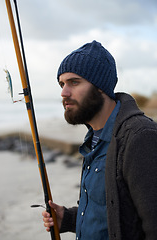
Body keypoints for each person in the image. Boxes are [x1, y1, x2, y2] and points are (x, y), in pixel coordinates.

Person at [42, 40, 157, 240]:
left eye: (74, 82)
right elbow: (111, 211)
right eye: (62, 84)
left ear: (100, 87)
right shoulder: (94, 138)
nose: (63, 92)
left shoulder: (140, 136)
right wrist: (68, 219)